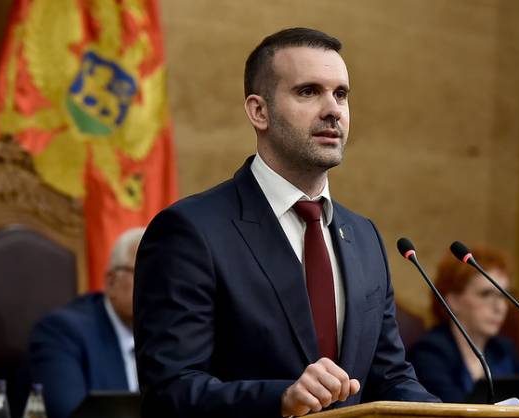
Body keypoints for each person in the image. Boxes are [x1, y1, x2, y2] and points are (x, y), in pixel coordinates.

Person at [134, 27, 439, 418]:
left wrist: (460, 414)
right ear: (259, 112)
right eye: (308, 92)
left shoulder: (364, 237)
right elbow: (170, 391)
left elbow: (391, 379)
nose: (333, 110)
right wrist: (280, 398)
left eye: (341, 94)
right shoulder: (190, 232)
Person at [27, 227, 145, 418]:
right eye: (146, 274)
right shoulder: (62, 332)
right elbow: (70, 414)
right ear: (111, 282)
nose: (160, 288)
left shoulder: (171, 334)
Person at [407, 246, 519, 403]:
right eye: (486, 294)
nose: (500, 307)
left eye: (503, 295)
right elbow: (453, 410)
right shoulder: (429, 353)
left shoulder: (503, 349)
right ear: (452, 301)